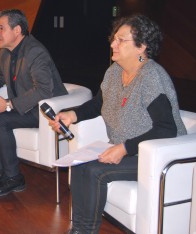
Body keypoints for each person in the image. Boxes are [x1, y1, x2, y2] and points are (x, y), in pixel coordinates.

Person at [48, 14, 187, 233]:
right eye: (114, 38)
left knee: (94, 170)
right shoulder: (114, 72)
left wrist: (124, 148)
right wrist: (72, 115)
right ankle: (78, 229)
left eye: (121, 40)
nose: (113, 44)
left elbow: (166, 128)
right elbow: (98, 104)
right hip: (128, 149)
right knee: (79, 166)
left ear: (141, 47)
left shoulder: (151, 77)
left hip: (155, 155)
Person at [0, 9, 68, 197]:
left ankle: (14, 177)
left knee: (0, 120)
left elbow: (43, 90)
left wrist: (8, 105)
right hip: (24, 105)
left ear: (17, 30)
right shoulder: (6, 52)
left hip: (44, 109)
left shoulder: (35, 52)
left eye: (1, 28)